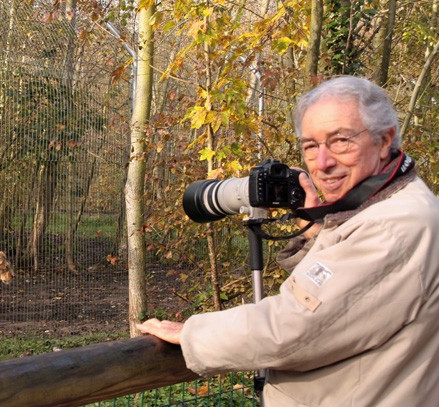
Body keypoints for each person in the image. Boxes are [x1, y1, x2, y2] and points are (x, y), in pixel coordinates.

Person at [137, 76, 439, 406]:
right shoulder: (388, 207)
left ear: (384, 140)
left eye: (340, 141)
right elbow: (347, 299)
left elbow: (296, 328)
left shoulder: (394, 226)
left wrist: (193, 334)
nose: (322, 163)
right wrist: (316, 235)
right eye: (311, 146)